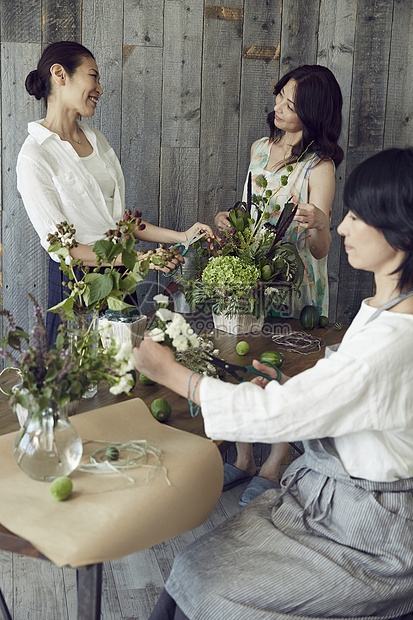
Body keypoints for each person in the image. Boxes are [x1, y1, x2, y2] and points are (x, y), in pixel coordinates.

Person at [134, 147, 413, 620]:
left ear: (401, 231)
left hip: (368, 536)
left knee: (206, 583)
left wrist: (172, 374)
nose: (342, 227)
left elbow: (278, 414)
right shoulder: (388, 310)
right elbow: (360, 403)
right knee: (192, 568)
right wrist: (295, 388)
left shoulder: (391, 341)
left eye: (358, 216)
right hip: (331, 502)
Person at [16, 41, 215, 344]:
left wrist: (182, 237)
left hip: (123, 276)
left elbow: (116, 221)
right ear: (60, 74)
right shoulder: (35, 155)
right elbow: (64, 249)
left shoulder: (96, 140)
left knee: (129, 370)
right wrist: (144, 260)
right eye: (93, 76)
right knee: (81, 377)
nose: (99, 88)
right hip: (78, 286)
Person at [216, 64, 344, 504]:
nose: (277, 108)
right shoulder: (259, 149)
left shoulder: (319, 167)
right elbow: (249, 213)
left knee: (284, 370)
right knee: (245, 360)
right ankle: (245, 456)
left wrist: (319, 223)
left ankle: (275, 462)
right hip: (255, 274)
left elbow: (321, 248)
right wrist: (229, 222)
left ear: (312, 113)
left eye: (289, 104)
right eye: (278, 98)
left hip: (296, 284)